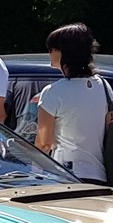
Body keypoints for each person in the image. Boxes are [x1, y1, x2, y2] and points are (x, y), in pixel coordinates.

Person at [33, 23, 107, 181]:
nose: (49, 53)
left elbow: (44, 144)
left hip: (66, 175)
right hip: (100, 174)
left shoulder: (53, 92)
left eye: (52, 49)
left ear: (64, 52)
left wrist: (34, 173)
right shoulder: (103, 86)